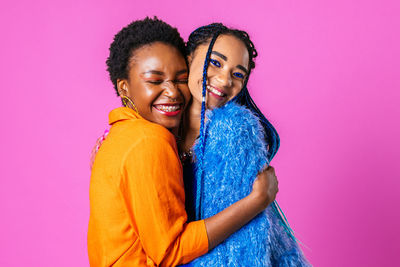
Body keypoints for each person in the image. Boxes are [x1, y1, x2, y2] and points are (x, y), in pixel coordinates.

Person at [88, 17, 279, 267]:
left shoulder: (125, 131)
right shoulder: (148, 139)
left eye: (179, 79)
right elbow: (170, 252)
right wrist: (257, 200)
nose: (172, 91)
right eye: (214, 62)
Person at [179, 23, 311, 266]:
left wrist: (258, 200)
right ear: (188, 58)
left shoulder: (235, 132)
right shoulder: (158, 126)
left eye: (238, 74)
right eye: (215, 62)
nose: (224, 80)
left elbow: (246, 244)